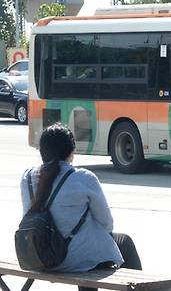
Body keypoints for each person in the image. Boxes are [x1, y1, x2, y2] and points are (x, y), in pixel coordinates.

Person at [20, 123, 142, 291]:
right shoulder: (84, 178)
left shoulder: (27, 177)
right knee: (121, 243)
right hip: (69, 260)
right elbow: (106, 223)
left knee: (85, 245)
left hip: (36, 255)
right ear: (71, 152)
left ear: (42, 151)